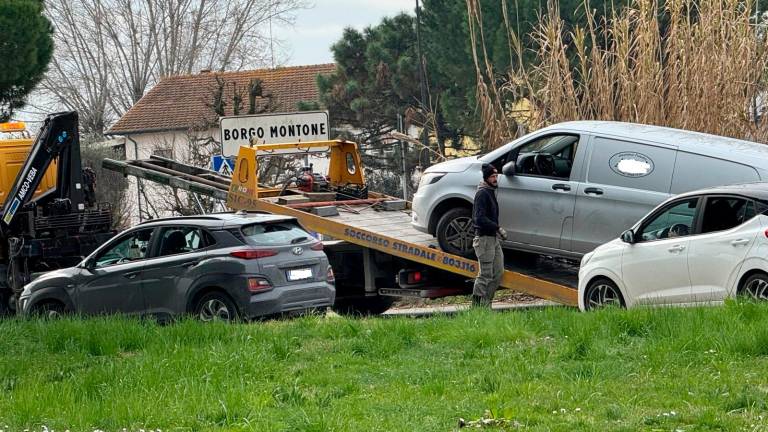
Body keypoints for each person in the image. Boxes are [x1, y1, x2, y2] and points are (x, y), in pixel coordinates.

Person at [471, 163, 507, 307]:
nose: (495, 179)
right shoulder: (482, 193)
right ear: (486, 178)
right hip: (484, 239)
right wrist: (498, 228)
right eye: (492, 176)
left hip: (493, 239)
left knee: (498, 273)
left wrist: (496, 231)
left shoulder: (490, 191)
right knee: (485, 275)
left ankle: (487, 304)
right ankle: (476, 307)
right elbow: (478, 218)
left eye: (496, 176)